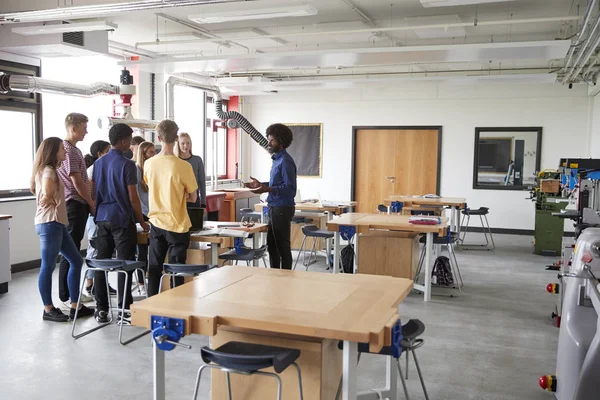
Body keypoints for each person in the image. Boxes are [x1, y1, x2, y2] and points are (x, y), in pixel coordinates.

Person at [91, 123, 150, 324]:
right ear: (124, 141)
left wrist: (97, 213)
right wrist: (141, 221)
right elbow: (133, 198)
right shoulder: (128, 165)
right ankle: (125, 310)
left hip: (102, 217)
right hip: (122, 220)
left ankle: (101, 309)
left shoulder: (98, 163)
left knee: (102, 264)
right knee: (125, 264)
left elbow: (93, 192)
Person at [31, 137, 94, 321]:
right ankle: (48, 309)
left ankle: (76, 306)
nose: (65, 153)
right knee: (48, 266)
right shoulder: (49, 171)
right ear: (53, 152)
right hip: (49, 223)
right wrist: (47, 196)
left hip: (57, 223)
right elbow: (48, 189)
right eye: (61, 150)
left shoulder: (50, 170)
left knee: (75, 260)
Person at [144, 120, 198, 297]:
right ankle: (177, 307)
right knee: (177, 269)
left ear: (158, 138)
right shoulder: (184, 166)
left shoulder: (149, 164)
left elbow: (150, 185)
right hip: (177, 224)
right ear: (176, 138)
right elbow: (193, 197)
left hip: (156, 222)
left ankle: (151, 304)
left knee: (154, 268)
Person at [245, 123, 297, 270]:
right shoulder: (277, 160)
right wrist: (260, 184)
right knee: (272, 247)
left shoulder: (286, 161)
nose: (269, 143)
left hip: (282, 208)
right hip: (274, 207)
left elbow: (290, 189)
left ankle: (286, 278)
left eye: (272, 140)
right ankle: (274, 276)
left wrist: (267, 189)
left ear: (281, 141)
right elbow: (277, 183)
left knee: (282, 248)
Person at [56, 113, 95, 308]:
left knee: (73, 248)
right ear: (73, 128)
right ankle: (67, 295)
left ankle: (70, 293)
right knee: (71, 251)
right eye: (84, 127)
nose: (86, 131)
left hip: (78, 204)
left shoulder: (74, 149)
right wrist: (91, 201)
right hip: (75, 204)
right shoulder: (68, 151)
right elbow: (76, 181)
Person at [82, 140, 111, 299]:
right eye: (108, 150)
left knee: (103, 250)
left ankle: (102, 283)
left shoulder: (104, 168)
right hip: (95, 214)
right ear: (100, 154)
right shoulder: (93, 170)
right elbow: (91, 194)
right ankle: (90, 284)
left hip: (102, 214)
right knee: (94, 248)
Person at [132, 141, 156, 296]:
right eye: (150, 152)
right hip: (142, 213)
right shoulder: (136, 169)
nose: (153, 155)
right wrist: (142, 215)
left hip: (154, 212)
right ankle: (141, 283)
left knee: (153, 248)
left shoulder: (153, 167)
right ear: (143, 154)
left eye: (154, 152)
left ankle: (151, 279)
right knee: (142, 249)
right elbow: (135, 195)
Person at [175, 132, 206, 208]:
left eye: (188, 143)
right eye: (183, 143)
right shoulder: (174, 161)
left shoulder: (197, 160)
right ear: (178, 145)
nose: (186, 146)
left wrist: (203, 204)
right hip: (177, 200)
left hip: (194, 199)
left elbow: (202, 183)